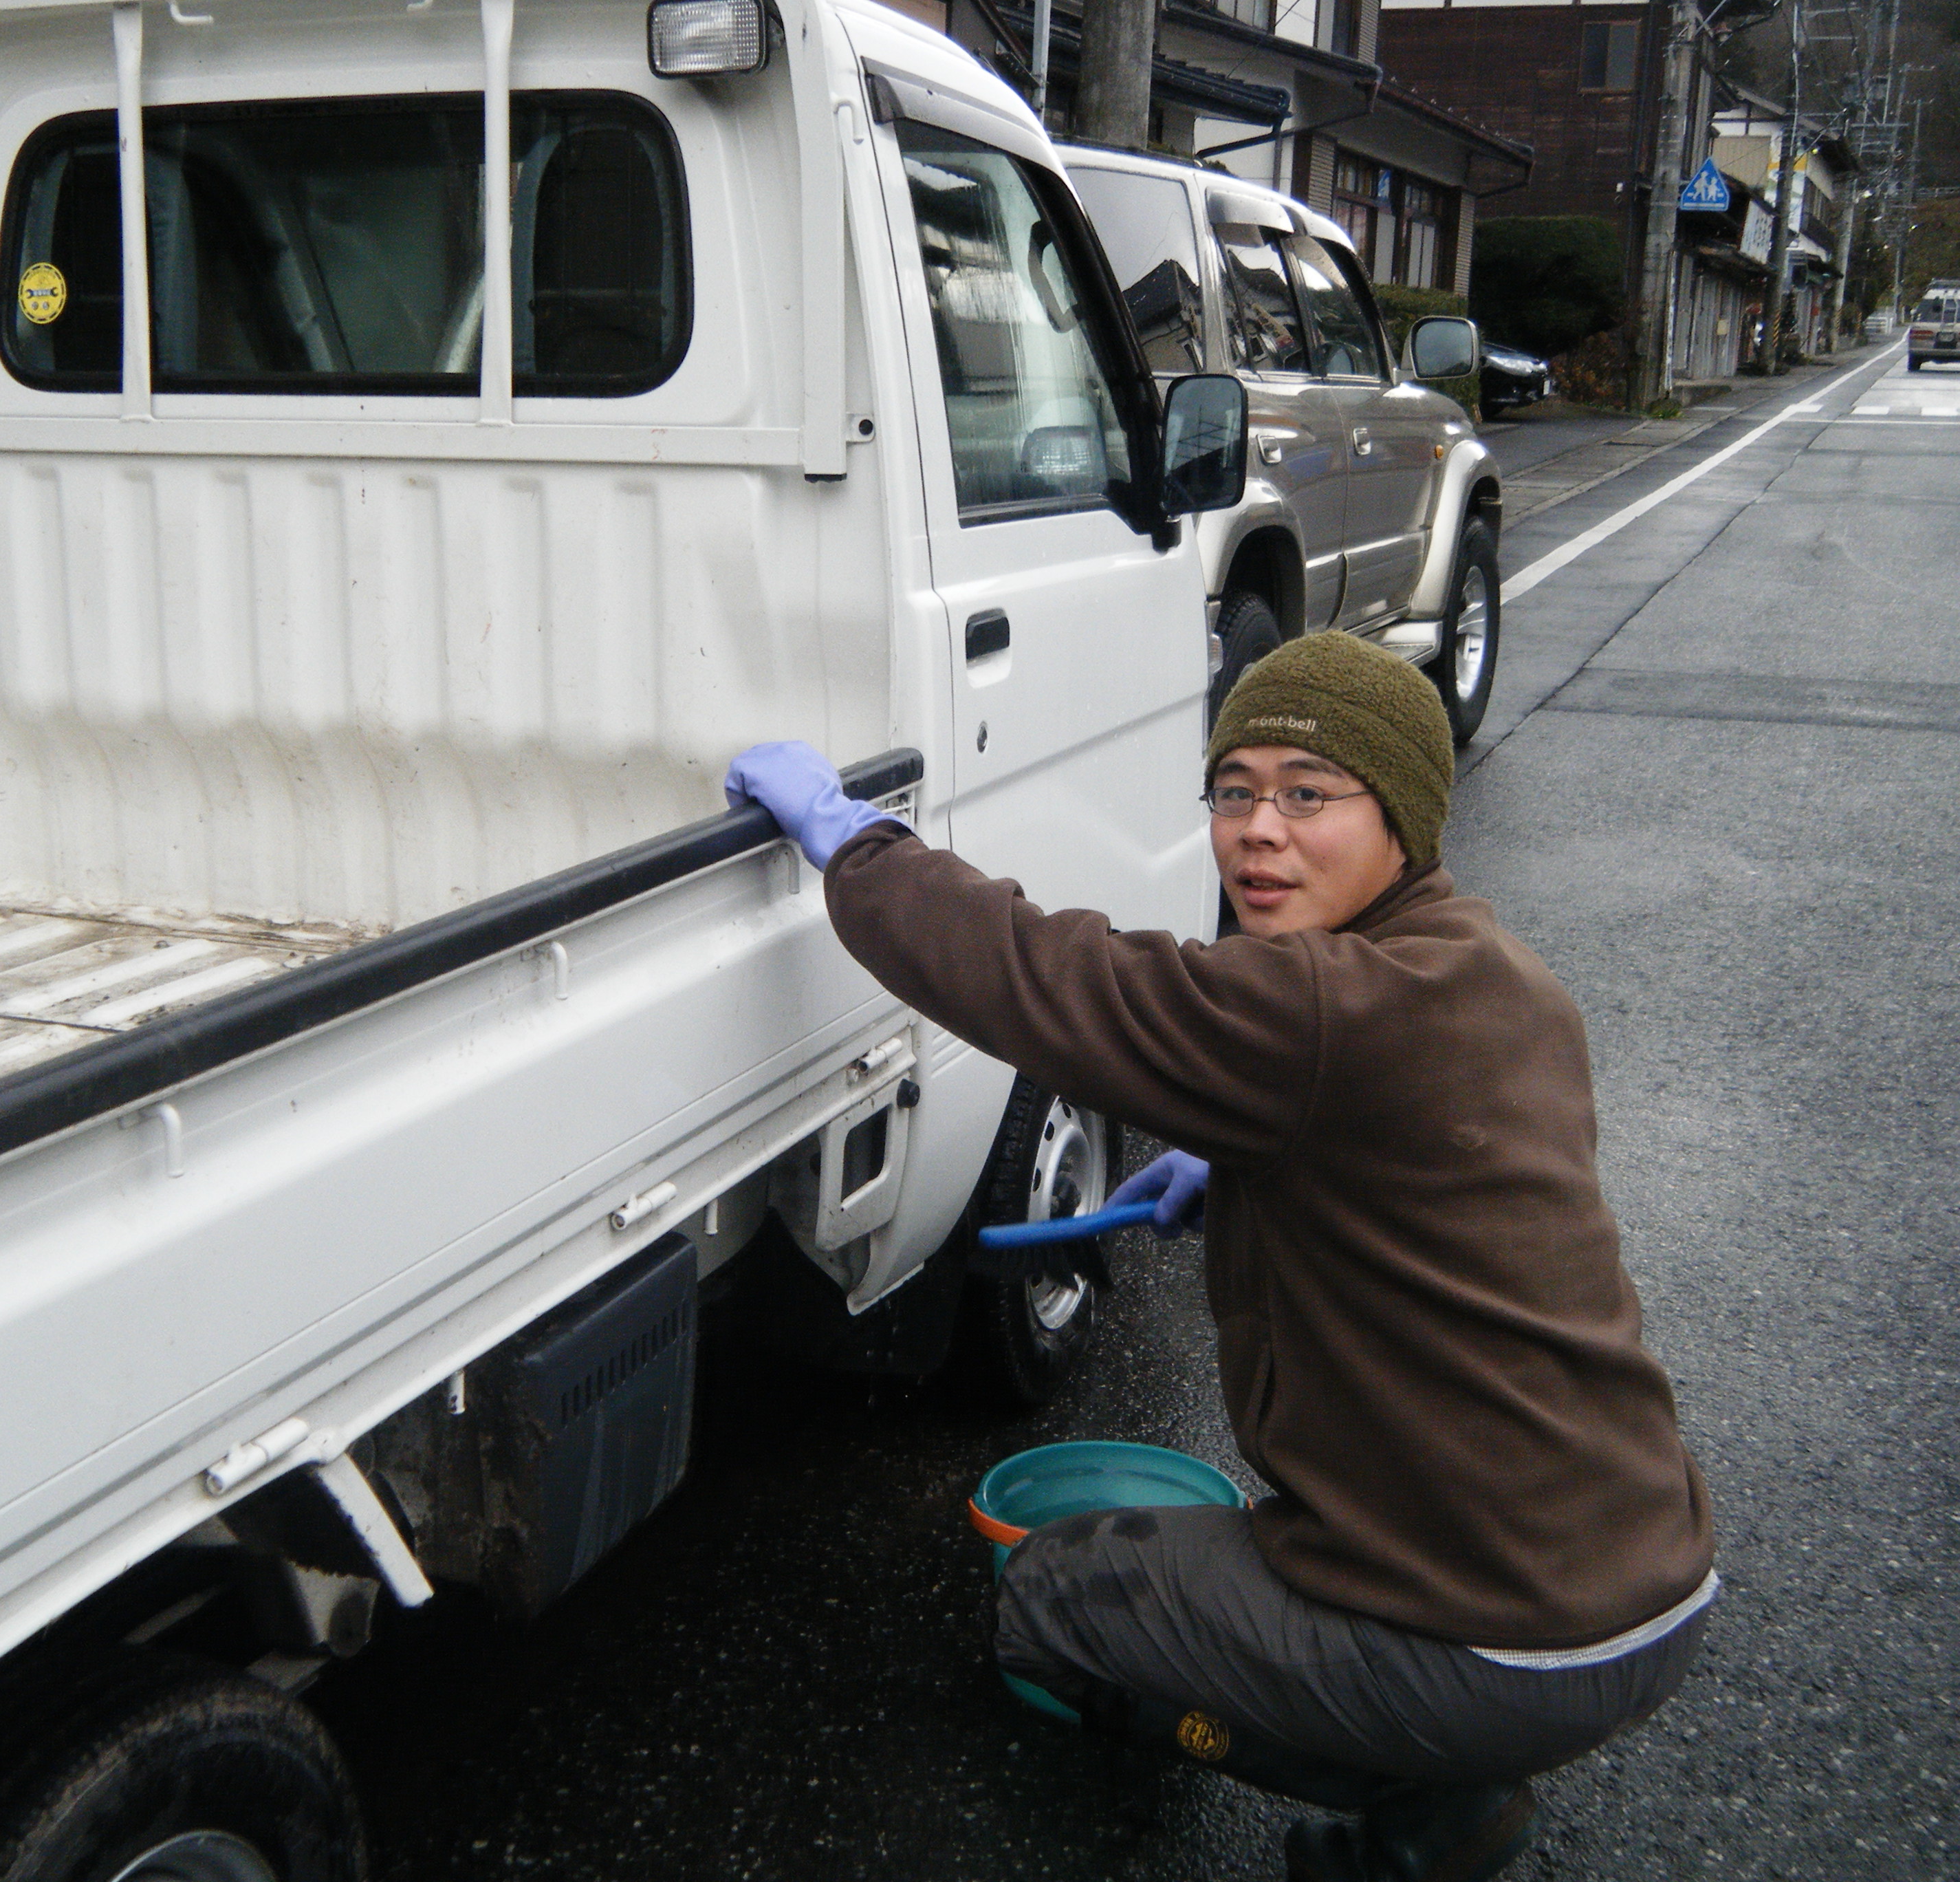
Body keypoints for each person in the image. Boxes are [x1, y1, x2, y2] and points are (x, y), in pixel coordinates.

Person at [723, 632, 1714, 1882]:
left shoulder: (1315, 1012)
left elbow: (1050, 981)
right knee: (1201, 1567)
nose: (1259, 830)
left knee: (1054, 1600)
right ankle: (1444, 1762)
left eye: (1310, 793)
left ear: (1404, 813)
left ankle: (1424, 1808)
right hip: (1642, 1575)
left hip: (1508, 1640)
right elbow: (1436, 1166)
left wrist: (861, 848)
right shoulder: (1498, 979)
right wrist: (1254, 1171)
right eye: (1234, 790)